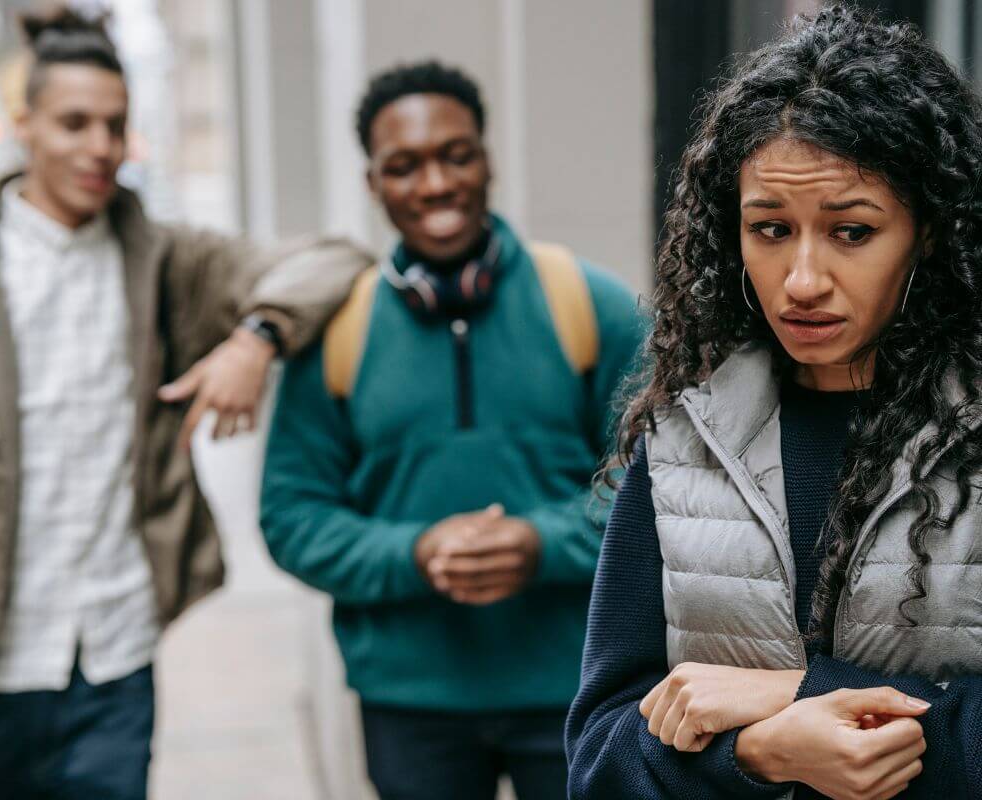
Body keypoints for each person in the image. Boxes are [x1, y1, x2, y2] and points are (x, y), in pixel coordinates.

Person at [567, 4, 982, 799]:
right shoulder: (686, 440)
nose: (802, 280)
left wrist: (801, 690)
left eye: (852, 232)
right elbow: (596, 760)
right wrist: (759, 754)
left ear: (927, 232)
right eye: (769, 228)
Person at [0, 8, 370, 800]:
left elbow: (336, 258)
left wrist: (255, 339)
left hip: (114, 659)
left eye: (115, 126)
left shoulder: (164, 260)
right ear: (24, 127)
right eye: (75, 123)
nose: (100, 147)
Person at [261, 60, 641, 800]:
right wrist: (416, 552)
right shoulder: (336, 332)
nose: (435, 184)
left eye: (454, 155)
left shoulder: (592, 305)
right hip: (410, 704)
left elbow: (659, 486)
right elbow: (291, 515)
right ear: (373, 183)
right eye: (404, 166)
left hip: (575, 685)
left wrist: (542, 543)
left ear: (488, 158)